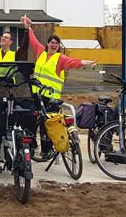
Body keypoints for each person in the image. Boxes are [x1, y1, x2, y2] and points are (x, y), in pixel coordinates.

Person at [22, 14, 96, 158]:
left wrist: (87, 63)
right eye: (52, 42)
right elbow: (33, 40)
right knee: (30, 121)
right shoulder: (40, 53)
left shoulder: (60, 59)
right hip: (37, 95)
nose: (54, 45)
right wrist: (28, 26)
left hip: (51, 99)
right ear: (48, 44)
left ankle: (46, 150)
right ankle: (31, 146)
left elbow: (73, 62)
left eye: (57, 43)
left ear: (58, 46)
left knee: (47, 126)